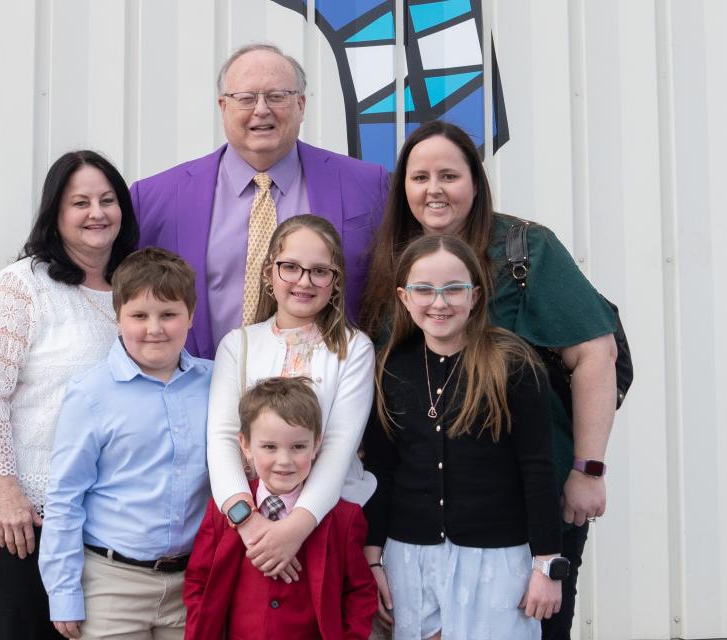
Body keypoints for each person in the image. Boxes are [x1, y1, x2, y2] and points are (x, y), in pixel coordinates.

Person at [360, 121, 618, 638]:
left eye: (449, 175)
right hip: (424, 523)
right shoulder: (393, 258)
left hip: (531, 501)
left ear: (475, 183)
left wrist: (587, 469)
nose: (433, 189)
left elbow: (596, 352)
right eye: (419, 176)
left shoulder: (523, 248)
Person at [0, 150, 139, 639]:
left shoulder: (134, 285)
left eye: (107, 199)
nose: (96, 212)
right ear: (56, 214)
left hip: (109, 510)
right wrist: (7, 491)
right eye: (80, 202)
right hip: (32, 508)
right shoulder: (23, 285)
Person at [130, 42, 388, 359]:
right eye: (246, 98)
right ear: (223, 106)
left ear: (302, 105)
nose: (261, 109)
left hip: (325, 394)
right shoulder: (155, 198)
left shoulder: (368, 186)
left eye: (277, 96)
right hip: (199, 393)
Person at [362, 234, 564, 639]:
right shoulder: (390, 367)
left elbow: (538, 470)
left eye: (453, 289)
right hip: (410, 556)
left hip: (496, 560)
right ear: (404, 297)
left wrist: (547, 565)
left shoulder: (512, 364)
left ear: (474, 295)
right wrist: (373, 559)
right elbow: (381, 470)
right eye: (424, 289)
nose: (439, 302)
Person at [38, 247, 213, 640]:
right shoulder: (91, 394)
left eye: (168, 314)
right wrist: (64, 591)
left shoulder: (215, 385)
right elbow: (65, 497)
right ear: (118, 318)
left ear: (191, 315)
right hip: (112, 583)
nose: (155, 328)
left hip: (192, 582)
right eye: (139, 316)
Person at [206, 214, 376, 582]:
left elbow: (337, 446)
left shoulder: (354, 349)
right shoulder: (239, 344)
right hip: (250, 525)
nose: (304, 281)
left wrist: (296, 528)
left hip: (326, 521)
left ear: (335, 281)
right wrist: (248, 523)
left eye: (319, 271)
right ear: (270, 273)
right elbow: (222, 438)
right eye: (290, 267)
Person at [185, 376, 377, 639]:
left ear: (316, 445)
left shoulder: (345, 518)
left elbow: (360, 592)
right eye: (269, 447)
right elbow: (198, 581)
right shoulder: (223, 513)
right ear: (245, 445)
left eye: (298, 446)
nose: (284, 461)